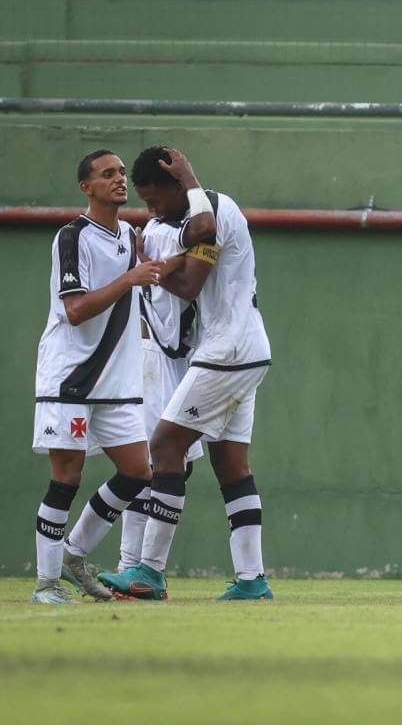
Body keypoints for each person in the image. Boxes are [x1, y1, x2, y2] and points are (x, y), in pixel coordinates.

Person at [99, 146, 274, 601]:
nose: (151, 209)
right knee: (232, 466)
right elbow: (180, 252)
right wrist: (159, 262)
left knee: (163, 444)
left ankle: (148, 572)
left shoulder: (210, 206)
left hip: (227, 350)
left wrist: (151, 271)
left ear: (179, 185)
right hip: (245, 349)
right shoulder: (179, 220)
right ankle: (253, 580)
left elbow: (191, 278)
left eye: (156, 199)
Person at [30, 149, 167, 604]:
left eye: (122, 172)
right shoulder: (72, 237)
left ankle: (75, 553)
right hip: (71, 378)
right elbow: (74, 310)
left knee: (137, 471)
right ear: (86, 187)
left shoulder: (131, 234)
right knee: (65, 478)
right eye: (108, 174)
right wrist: (131, 279)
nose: (119, 179)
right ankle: (46, 585)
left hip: (117, 383)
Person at [116, 189, 211, 574]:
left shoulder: (165, 232)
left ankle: (138, 569)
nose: (149, 207)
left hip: (183, 359)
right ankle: (130, 568)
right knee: (154, 465)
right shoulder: (162, 231)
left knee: (175, 466)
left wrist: (168, 263)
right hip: (154, 356)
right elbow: (205, 230)